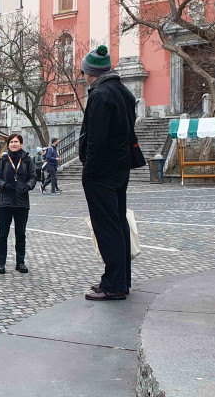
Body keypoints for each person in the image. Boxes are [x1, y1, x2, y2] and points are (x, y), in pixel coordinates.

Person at [79, 45, 136, 301]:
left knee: (107, 226)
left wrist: (89, 171)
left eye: (84, 72)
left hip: (102, 171)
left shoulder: (100, 95)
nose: (83, 76)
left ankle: (113, 284)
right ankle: (121, 280)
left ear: (90, 72)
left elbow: (96, 140)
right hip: (120, 168)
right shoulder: (124, 92)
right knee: (119, 223)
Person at [0, 134, 36, 274]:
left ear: (21, 144)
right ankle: (1, 263)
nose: (14, 144)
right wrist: (4, 185)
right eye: (11, 142)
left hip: (22, 202)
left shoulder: (28, 160)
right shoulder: (3, 160)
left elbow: (33, 177)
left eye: (16, 142)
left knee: (20, 234)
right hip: (5, 202)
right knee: (2, 234)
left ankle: (20, 262)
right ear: (8, 144)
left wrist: (28, 186)